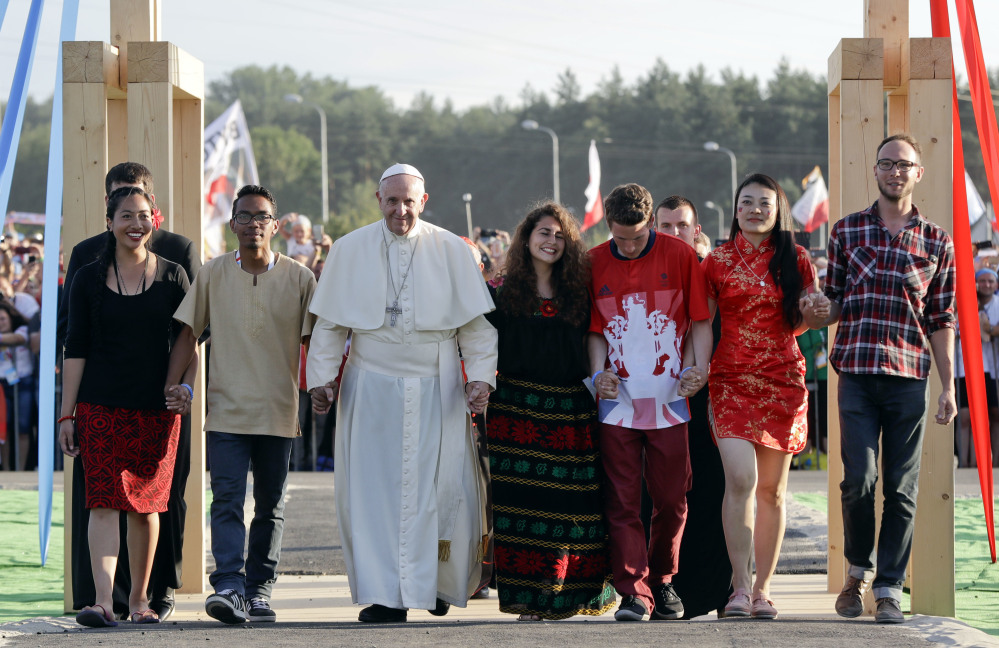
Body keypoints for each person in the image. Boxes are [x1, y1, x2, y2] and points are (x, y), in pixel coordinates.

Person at [307, 163, 497, 623]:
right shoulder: (351, 249)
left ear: (423, 201)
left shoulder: (452, 249)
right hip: (371, 385)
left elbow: (476, 329)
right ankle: (386, 596)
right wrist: (321, 381)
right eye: (392, 201)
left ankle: (432, 584)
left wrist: (480, 378)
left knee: (441, 489)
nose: (400, 210)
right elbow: (330, 327)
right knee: (375, 495)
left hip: (439, 384)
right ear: (379, 200)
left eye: (409, 201)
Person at [805, 133, 956, 624]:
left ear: (918, 173)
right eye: (886, 163)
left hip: (911, 377)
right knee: (859, 480)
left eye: (904, 164)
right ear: (875, 171)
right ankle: (856, 573)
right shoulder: (847, 231)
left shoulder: (937, 241)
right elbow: (834, 301)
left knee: (902, 487)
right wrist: (817, 309)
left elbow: (941, 319)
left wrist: (949, 386)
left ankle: (888, 587)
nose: (895, 171)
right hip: (857, 375)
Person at [167, 184, 317, 624]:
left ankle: (259, 590)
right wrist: (171, 387)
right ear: (232, 225)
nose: (254, 224)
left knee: (271, 505)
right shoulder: (212, 273)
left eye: (262, 217)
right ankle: (229, 585)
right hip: (226, 411)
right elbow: (187, 334)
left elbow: (315, 343)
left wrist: (325, 387)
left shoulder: (300, 277)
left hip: (278, 410)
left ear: (276, 225)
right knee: (227, 499)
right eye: (245, 216)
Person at [60, 162, 201, 621]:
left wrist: (182, 388)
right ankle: (103, 601)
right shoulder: (85, 276)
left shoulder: (175, 274)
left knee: (145, 506)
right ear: (109, 221)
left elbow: (189, 339)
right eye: (126, 216)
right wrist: (66, 415)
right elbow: (75, 347)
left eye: (143, 216)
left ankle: (140, 601)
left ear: (153, 218)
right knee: (101, 501)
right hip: (98, 406)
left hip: (154, 409)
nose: (135, 225)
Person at [484, 202, 616, 621]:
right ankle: (528, 599)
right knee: (520, 507)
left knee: (570, 507)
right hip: (515, 411)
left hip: (569, 411)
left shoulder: (581, 292)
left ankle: (562, 597)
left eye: (560, 236)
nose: (552, 241)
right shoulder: (501, 293)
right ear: (526, 238)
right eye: (544, 233)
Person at [587, 183, 712, 622]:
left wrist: (701, 368)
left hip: (670, 400)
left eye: (637, 237)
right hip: (617, 404)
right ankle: (634, 591)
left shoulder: (679, 255)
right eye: (619, 238)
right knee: (622, 500)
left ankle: (663, 577)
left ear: (649, 226)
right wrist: (598, 373)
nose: (628, 246)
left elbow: (699, 320)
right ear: (608, 227)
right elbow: (595, 329)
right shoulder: (594, 261)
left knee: (672, 496)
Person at [702, 174, 819, 619]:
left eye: (764, 203)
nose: (755, 209)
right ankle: (738, 585)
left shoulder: (798, 259)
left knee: (772, 492)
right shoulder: (715, 261)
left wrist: (818, 313)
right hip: (729, 379)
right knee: (741, 480)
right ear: (735, 210)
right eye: (746, 202)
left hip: (782, 382)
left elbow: (805, 321)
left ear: (778, 210)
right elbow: (701, 322)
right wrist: (695, 366)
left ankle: (763, 590)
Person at [652, 195, 733, 619]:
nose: (674, 234)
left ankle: (718, 592)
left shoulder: (715, 272)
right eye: (665, 226)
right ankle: (663, 588)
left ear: (696, 230)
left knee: (714, 491)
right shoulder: (645, 273)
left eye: (681, 225)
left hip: (715, 400)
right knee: (665, 496)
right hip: (659, 403)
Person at [955, 268, 999, 467]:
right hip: (964, 368)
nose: (986, 285)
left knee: (990, 414)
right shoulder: (962, 305)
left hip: (989, 368)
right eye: (982, 281)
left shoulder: (991, 306)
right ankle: (966, 463)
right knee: (965, 417)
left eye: (990, 281)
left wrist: (988, 330)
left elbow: (987, 334)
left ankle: (989, 462)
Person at [0, 301, 34, 471]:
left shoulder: (21, 329)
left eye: (3, 319)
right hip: (2, 384)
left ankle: (20, 468)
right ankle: (6, 468)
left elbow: (18, 339)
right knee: (3, 430)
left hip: (23, 383)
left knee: (23, 427)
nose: (1, 322)